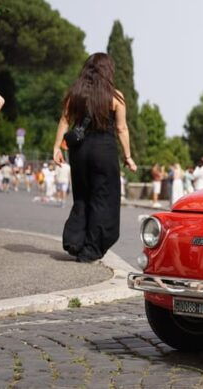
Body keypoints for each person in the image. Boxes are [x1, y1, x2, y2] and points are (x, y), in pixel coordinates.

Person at [53, 53, 137, 263]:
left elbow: (65, 120)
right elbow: (121, 128)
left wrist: (56, 148)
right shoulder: (115, 97)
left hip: (79, 151)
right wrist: (128, 156)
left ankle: (75, 240)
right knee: (103, 198)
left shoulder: (76, 93)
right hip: (103, 151)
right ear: (108, 71)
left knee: (82, 195)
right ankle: (91, 248)